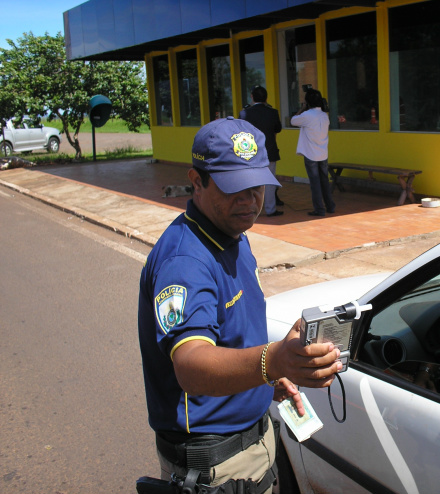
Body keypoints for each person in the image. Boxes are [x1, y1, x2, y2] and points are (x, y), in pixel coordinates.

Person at [137, 117, 342, 493]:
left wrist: (264, 379)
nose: (249, 201)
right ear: (196, 181)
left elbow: (233, 334)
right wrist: (273, 360)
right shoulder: (186, 262)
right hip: (214, 461)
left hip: (251, 442)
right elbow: (192, 365)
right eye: (234, 189)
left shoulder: (233, 234)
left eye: (257, 187)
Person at [239, 85, 284, 217]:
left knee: (251, 182)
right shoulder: (272, 112)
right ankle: (271, 209)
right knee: (270, 182)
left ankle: (251, 209)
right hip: (269, 152)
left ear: (252, 97)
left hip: (249, 153)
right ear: (266, 98)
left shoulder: (244, 113)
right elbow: (278, 129)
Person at [290, 88, 335, 217]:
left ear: (308, 102)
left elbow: (293, 121)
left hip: (311, 154)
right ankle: (330, 206)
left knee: (315, 183)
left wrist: (302, 108)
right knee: (324, 181)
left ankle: (319, 209)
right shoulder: (324, 116)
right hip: (323, 153)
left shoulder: (307, 115)